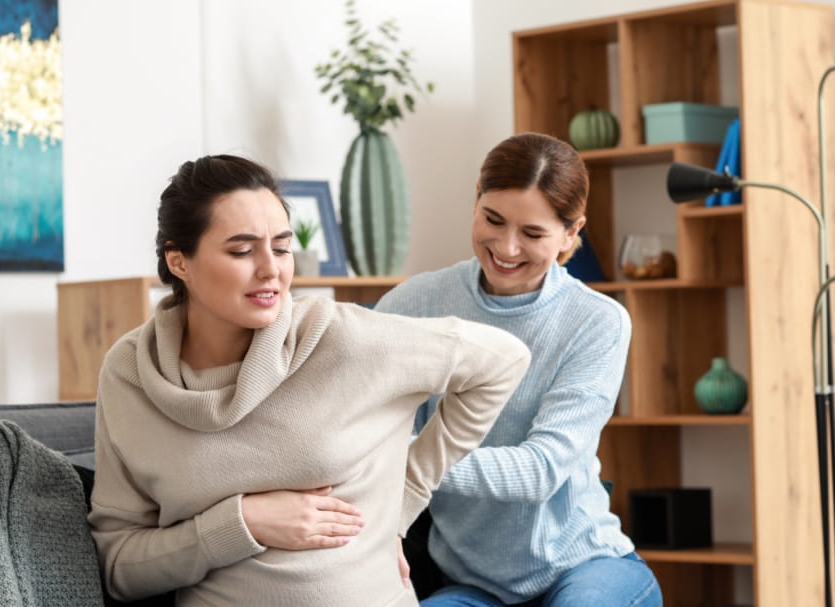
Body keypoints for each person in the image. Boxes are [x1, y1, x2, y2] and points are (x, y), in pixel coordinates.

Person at [87, 154, 531, 607]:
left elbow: (502, 360)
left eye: (281, 247)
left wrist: (404, 500)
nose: (270, 270)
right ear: (179, 262)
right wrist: (241, 523)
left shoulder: (340, 337)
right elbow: (119, 564)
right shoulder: (130, 375)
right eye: (242, 250)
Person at [375, 132, 663, 607]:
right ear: (476, 202)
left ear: (571, 233)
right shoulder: (411, 305)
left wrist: (393, 458)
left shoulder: (597, 322)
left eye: (532, 234)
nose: (506, 248)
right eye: (493, 220)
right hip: (470, 583)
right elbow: (359, 418)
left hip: (583, 565)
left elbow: (541, 470)